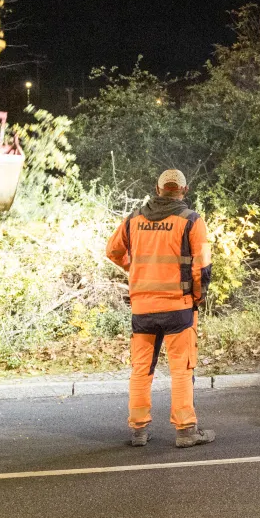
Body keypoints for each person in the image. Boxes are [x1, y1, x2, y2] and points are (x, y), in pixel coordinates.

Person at [106, 168, 216, 449]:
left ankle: (139, 431)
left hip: (142, 307)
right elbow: (201, 266)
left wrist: (135, 268)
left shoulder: (134, 220)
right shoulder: (191, 220)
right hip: (178, 308)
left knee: (141, 369)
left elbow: (113, 252)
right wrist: (198, 298)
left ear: (157, 189)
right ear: (184, 191)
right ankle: (185, 431)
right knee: (181, 369)